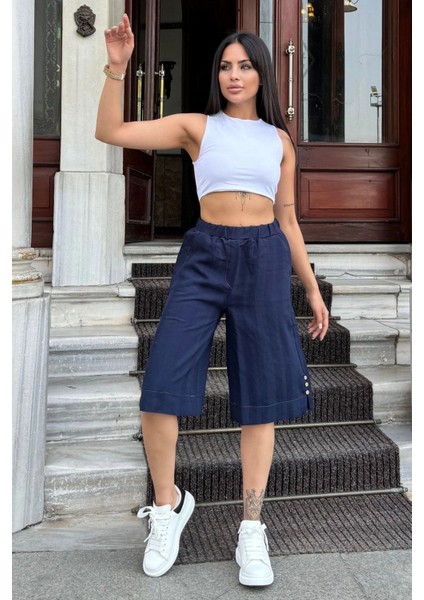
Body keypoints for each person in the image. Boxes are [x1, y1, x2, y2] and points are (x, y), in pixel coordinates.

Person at [96, 13, 329, 587]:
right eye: (225, 66)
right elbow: (111, 132)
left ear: (262, 73)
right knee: (161, 385)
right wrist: (117, 68)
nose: (234, 75)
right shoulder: (197, 127)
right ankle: (168, 506)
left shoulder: (278, 142)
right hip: (204, 255)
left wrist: (310, 287)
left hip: (264, 258)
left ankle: (251, 526)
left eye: (244, 66)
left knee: (261, 398)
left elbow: (288, 219)